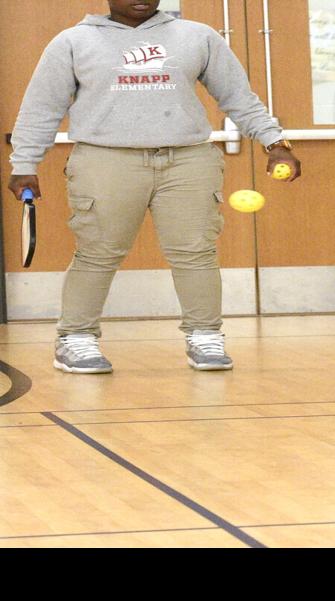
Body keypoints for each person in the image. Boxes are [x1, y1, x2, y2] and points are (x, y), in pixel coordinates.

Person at [6, 0, 300, 374]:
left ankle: (205, 335)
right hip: (105, 159)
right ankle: (76, 338)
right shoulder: (73, 42)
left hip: (188, 159)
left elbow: (240, 98)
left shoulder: (197, 37)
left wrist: (276, 144)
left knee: (196, 251)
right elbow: (40, 108)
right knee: (98, 252)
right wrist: (25, 163)